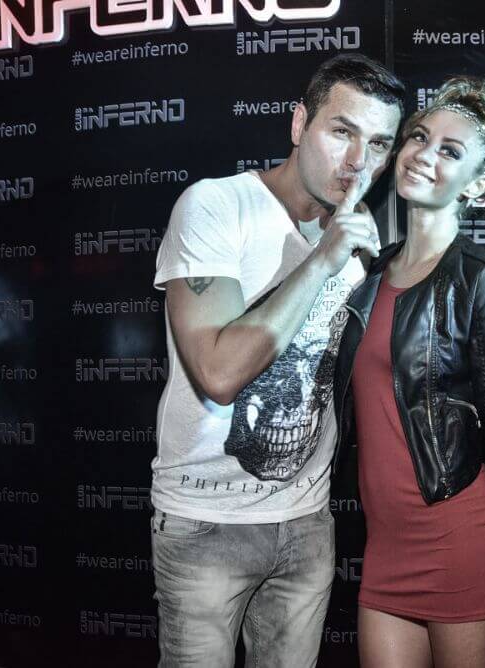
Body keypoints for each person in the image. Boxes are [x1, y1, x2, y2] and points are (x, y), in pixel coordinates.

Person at [150, 54, 404, 667]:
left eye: (378, 144)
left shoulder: (362, 238)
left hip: (307, 522)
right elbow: (218, 373)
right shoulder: (217, 206)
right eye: (341, 131)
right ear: (298, 124)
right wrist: (322, 260)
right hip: (205, 521)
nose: (358, 162)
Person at [333, 75, 485, 668]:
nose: (424, 154)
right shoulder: (368, 275)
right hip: (385, 546)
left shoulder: (484, 275)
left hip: (460, 537)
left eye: (450, 151)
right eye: (419, 137)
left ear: (476, 183)